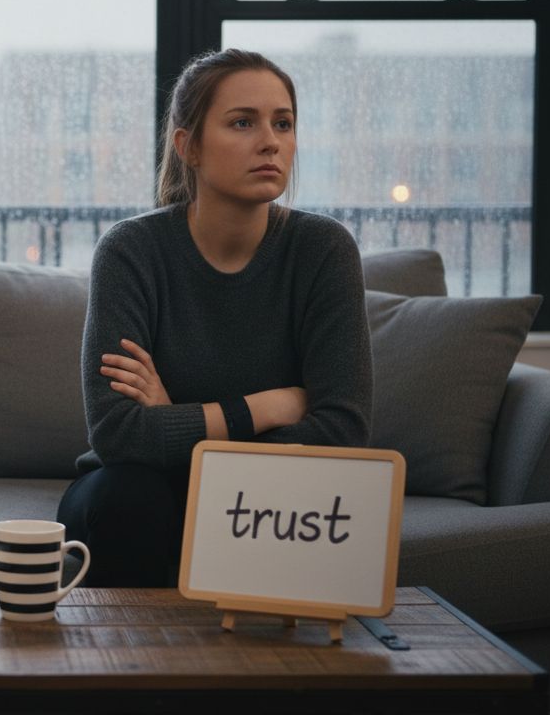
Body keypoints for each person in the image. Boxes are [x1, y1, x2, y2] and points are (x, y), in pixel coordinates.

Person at [57, 49, 371, 587]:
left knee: (275, 504)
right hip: (136, 490)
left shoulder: (323, 250)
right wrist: (272, 405)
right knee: (126, 498)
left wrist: (177, 420)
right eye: (242, 122)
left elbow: (344, 432)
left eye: (284, 123)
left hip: (274, 499)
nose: (270, 141)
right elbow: (118, 434)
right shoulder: (132, 251)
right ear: (189, 146)